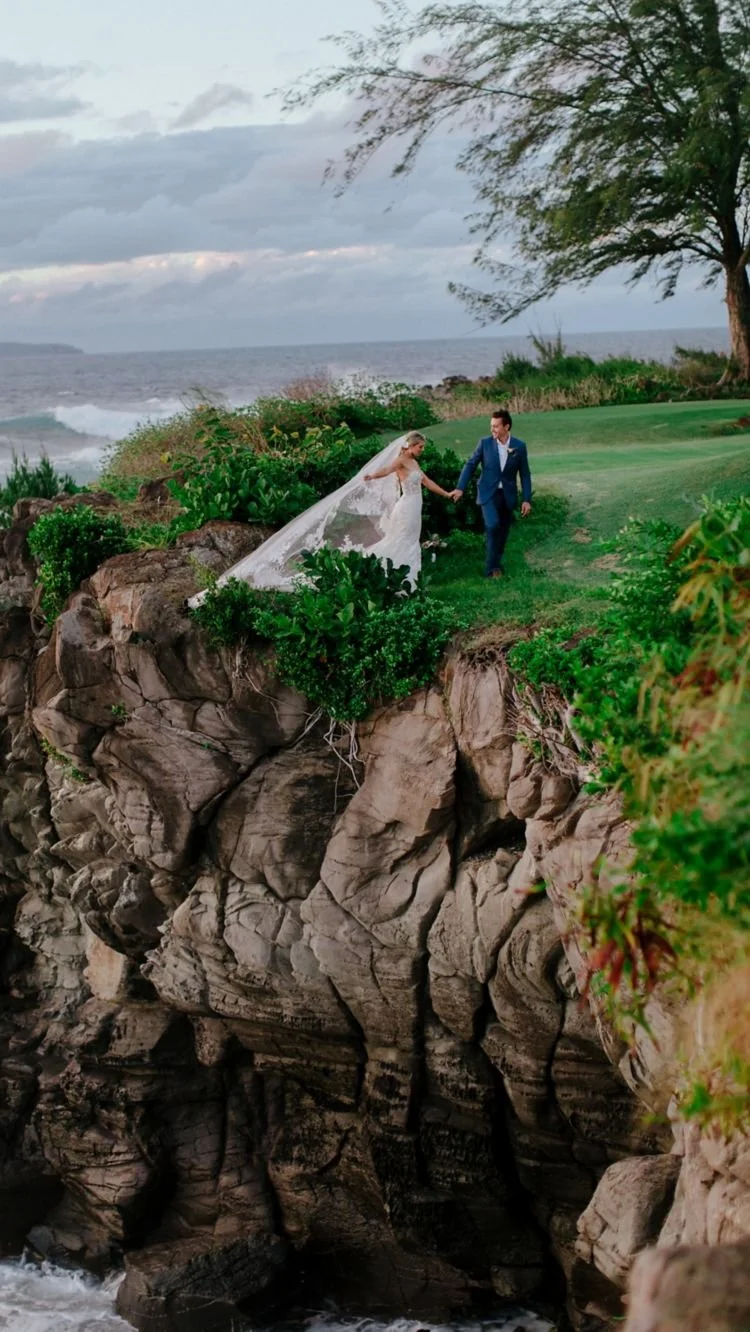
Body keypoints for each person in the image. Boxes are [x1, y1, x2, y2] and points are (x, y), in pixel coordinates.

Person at [363, 431, 455, 587]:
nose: (422, 450)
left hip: (414, 508)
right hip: (406, 508)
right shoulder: (401, 460)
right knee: (403, 540)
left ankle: (409, 580)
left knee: (411, 540)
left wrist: (446, 494)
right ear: (411, 446)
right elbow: (387, 470)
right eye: (420, 447)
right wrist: (372, 476)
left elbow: (426, 481)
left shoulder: (413, 462)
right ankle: (397, 578)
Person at [451, 409, 532, 578]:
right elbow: (470, 465)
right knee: (493, 525)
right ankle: (492, 569)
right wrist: (460, 487)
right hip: (488, 494)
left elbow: (525, 474)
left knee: (502, 532)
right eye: (491, 426)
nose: (492, 429)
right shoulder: (484, 443)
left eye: (496, 426)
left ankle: (495, 564)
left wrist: (526, 499)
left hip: (508, 495)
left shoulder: (519, 446)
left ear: (506, 426)